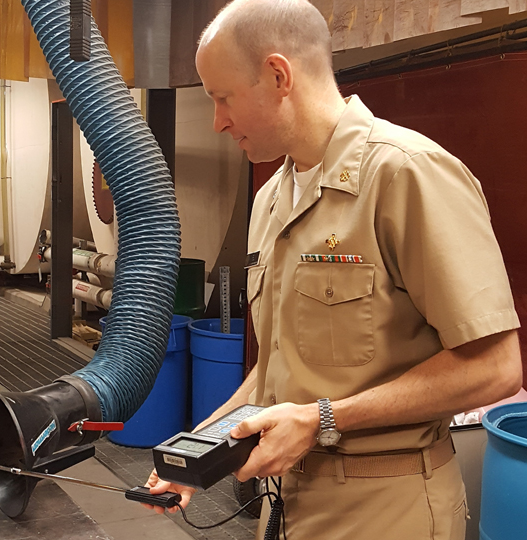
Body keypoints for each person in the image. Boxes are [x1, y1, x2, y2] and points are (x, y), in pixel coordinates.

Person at [142, 1, 523, 539]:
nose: (217, 121)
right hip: (288, 507)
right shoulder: (273, 197)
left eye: (222, 98)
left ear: (278, 75)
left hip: (386, 509)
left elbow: (495, 368)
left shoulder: (405, 174)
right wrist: (200, 451)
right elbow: (279, 372)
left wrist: (322, 420)